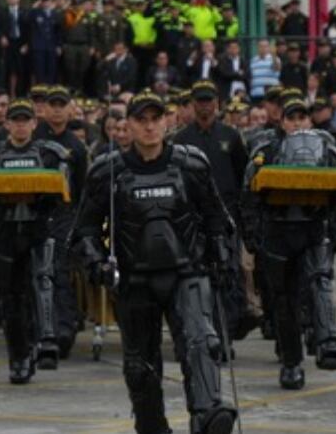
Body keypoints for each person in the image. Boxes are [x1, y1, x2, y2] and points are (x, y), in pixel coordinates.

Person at [72, 91, 238, 434]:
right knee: (140, 367)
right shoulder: (108, 171)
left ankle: (208, 415)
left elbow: (216, 218)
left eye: (155, 118)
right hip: (135, 281)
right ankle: (152, 427)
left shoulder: (191, 164)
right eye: (141, 120)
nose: (149, 127)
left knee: (201, 342)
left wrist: (222, 254)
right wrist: (97, 264)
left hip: (186, 273)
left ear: (169, 120)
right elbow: (84, 230)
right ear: (127, 126)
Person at [242, 96, 336, 390]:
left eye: (303, 117)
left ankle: (328, 341)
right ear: (282, 121)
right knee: (284, 302)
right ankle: (291, 362)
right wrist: (251, 233)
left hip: (313, 228)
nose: (298, 123)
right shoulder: (266, 148)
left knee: (320, 280)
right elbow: (248, 193)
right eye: (292, 117)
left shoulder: (326, 146)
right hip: (277, 233)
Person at [0, 99, 68, 383]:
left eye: (25, 120)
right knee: (11, 299)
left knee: (42, 283)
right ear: (7, 124)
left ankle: (47, 341)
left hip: (38, 230)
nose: (20, 125)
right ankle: (19, 357)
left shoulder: (50, 154)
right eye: (15, 120)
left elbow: (63, 197)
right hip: (4, 233)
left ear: (34, 123)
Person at [173, 80, 253, 342]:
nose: (205, 106)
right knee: (194, 278)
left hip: (225, 218)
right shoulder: (181, 139)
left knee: (227, 277)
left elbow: (243, 177)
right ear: (193, 104)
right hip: (192, 220)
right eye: (200, 100)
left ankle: (224, 335)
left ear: (217, 104)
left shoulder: (230, 136)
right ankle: (196, 333)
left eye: (209, 100)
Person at [34, 86, 89, 357]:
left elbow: (81, 191)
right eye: (51, 104)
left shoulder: (77, 147)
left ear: (70, 108)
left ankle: (64, 328)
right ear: (43, 108)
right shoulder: (32, 139)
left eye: (61, 104)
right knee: (36, 274)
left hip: (64, 217)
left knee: (58, 272)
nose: (56, 109)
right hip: (34, 215)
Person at [23, 0, 61, 86]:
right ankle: (41, 91)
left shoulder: (55, 14)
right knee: (39, 70)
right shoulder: (35, 13)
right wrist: (33, 7)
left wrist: (58, 45)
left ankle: (50, 89)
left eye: (48, 1)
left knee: (51, 70)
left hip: (51, 46)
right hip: (39, 46)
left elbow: (58, 31)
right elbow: (26, 20)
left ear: (51, 2)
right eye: (44, 1)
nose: (46, 3)